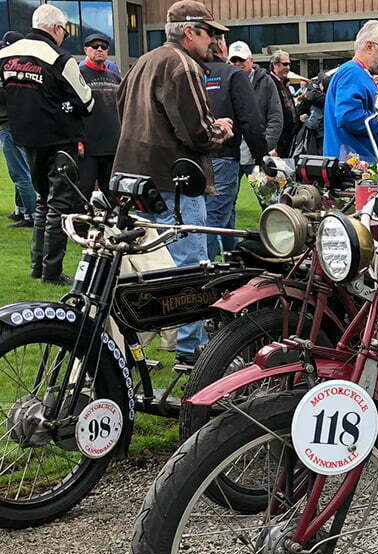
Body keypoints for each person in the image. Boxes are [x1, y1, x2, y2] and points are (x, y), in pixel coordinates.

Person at [114, 0, 234, 365]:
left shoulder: (145, 62)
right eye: (210, 32)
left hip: (134, 175)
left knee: (137, 264)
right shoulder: (182, 64)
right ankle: (189, 349)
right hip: (174, 179)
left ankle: (128, 347)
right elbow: (196, 132)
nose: (214, 40)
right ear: (190, 31)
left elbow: (120, 108)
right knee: (192, 266)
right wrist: (221, 131)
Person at [0, 4, 94, 284]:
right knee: (59, 206)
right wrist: (62, 105)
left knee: (43, 201)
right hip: (58, 140)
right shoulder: (59, 57)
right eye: (64, 30)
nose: (64, 36)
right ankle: (51, 272)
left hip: (26, 140)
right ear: (55, 28)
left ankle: (37, 266)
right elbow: (86, 102)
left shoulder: (5, 55)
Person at [204, 35, 267, 258]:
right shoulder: (233, 75)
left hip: (191, 157)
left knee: (207, 217)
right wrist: (263, 158)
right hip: (223, 155)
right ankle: (207, 274)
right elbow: (251, 120)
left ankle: (231, 258)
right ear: (222, 46)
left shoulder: (190, 71)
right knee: (213, 221)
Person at [323, 20, 378, 174]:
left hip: (360, 169)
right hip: (355, 173)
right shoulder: (352, 73)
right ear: (369, 46)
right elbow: (348, 117)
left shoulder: (360, 74)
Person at [78, 32, 121, 200]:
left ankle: (112, 226)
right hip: (88, 147)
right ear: (86, 50)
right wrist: (78, 141)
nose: (99, 49)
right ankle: (80, 226)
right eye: (95, 46)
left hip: (112, 146)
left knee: (113, 193)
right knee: (83, 190)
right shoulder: (78, 74)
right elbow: (70, 110)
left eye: (103, 47)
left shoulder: (115, 77)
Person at [0, 31, 36, 229]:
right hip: (22, 125)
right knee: (22, 171)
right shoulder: (25, 68)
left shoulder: (9, 70)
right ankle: (22, 210)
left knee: (20, 173)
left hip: (9, 126)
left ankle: (31, 215)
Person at [269, 49, 297, 156]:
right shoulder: (269, 82)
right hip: (277, 141)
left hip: (287, 139)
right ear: (275, 65)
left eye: (289, 64)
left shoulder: (283, 83)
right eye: (285, 64)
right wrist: (272, 146)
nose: (288, 67)